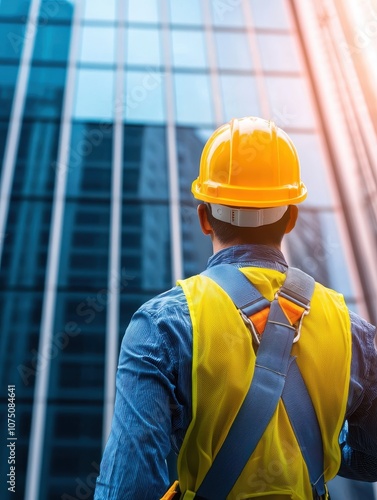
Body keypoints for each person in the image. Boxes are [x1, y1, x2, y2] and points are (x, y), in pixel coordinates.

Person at [94, 116, 377, 499]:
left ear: (204, 219)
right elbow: (372, 457)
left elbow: (128, 488)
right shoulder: (354, 334)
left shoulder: (162, 326)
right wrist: (319, 446)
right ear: (292, 217)